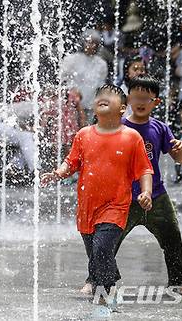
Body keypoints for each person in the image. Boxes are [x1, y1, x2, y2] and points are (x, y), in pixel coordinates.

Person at [79, 74, 182, 296]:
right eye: (136, 97)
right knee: (105, 243)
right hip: (122, 199)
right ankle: (93, 280)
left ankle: (178, 283)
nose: (140, 102)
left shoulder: (160, 128)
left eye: (146, 99)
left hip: (156, 196)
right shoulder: (115, 126)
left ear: (156, 102)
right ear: (127, 99)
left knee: (172, 239)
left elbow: (180, 159)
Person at [41, 84, 154, 303]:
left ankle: (103, 292)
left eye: (109, 96)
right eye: (99, 97)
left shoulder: (131, 137)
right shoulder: (83, 134)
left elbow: (144, 169)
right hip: (87, 207)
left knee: (102, 247)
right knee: (95, 252)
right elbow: (71, 162)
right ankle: (104, 278)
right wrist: (58, 173)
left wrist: (146, 192)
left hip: (115, 206)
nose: (102, 98)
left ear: (122, 108)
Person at [61, 30, 108, 123]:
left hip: (91, 104)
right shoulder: (71, 60)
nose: (92, 46)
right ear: (83, 42)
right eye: (89, 42)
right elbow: (63, 80)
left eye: (95, 43)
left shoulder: (101, 64)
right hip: (72, 104)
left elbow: (101, 85)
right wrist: (72, 90)